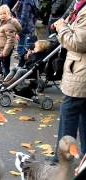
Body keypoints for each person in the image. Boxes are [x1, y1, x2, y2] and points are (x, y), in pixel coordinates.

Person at [51, 0, 86, 163]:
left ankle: (62, 159)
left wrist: (62, 28)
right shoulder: (80, 7)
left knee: (69, 112)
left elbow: (78, 42)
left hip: (81, 72)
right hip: (79, 70)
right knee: (83, 115)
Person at [0, 5, 21, 77]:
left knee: (5, 65)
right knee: (4, 64)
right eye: (1, 14)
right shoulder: (2, 22)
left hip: (6, 47)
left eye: (4, 13)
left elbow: (10, 40)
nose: (2, 15)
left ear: (8, 13)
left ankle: (6, 80)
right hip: (2, 46)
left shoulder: (9, 24)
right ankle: (6, 77)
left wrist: (5, 52)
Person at [13, 0, 38, 67]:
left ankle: (22, 65)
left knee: (22, 48)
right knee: (26, 47)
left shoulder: (26, 2)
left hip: (24, 28)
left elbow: (24, 18)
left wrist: (18, 31)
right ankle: (25, 65)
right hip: (29, 27)